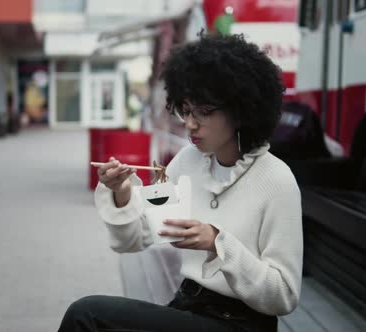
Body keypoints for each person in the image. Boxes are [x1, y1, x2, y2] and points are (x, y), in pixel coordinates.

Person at [58, 34, 303, 332]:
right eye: (186, 110)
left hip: (242, 324)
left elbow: (284, 296)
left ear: (241, 109)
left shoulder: (277, 180)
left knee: (87, 315)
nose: (190, 124)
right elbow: (136, 239)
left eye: (204, 111)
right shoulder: (187, 161)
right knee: (87, 315)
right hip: (186, 308)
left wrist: (218, 242)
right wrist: (122, 194)